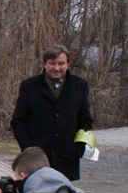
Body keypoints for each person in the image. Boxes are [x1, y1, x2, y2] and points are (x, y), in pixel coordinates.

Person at [10, 45, 93, 181]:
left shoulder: (80, 86)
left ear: (68, 64)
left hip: (67, 159)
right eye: (52, 63)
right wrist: (28, 149)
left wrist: (78, 149)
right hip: (36, 161)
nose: (56, 68)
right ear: (44, 64)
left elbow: (86, 122)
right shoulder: (29, 86)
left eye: (61, 63)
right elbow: (18, 122)